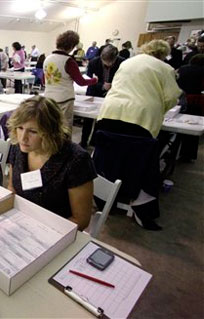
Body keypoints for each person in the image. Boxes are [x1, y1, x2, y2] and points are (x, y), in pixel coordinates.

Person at [96, 39, 182, 230]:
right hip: (141, 118)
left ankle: (103, 197)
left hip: (110, 113)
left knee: (108, 157)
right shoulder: (164, 67)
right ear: (162, 54)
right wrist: (159, 108)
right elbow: (171, 97)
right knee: (139, 160)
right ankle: (139, 206)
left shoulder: (127, 62)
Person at [7, 96, 96, 230]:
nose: (23, 137)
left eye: (33, 131)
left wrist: (39, 230)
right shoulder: (18, 147)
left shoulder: (76, 160)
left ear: (50, 132)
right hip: (21, 222)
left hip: (55, 230)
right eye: (20, 128)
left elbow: (81, 220)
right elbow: (12, 188)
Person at [43, 30, 97, 130]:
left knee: (50, 128)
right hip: (64, 100)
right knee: (64, 129)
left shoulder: (47, 59)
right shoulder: (69, 61)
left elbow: (44, 80)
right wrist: (94, 80)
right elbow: (81, 82)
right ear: (72, 46)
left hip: (48, 98)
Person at [80, 45, 125, 148]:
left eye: (110, 62)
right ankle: (83, 143)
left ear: (115, 58)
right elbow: (89, 79)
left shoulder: (122, 63)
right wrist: (102, 86)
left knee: (102, 119)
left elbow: (124, 80)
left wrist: (112, 86)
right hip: (94, 91)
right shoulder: (94, 62)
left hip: (112, 94)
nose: (108, 64)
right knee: (88, 120)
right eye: (105, 61)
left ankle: (94, 142)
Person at [176, 54, 204, 161]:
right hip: (195, 100)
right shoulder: (202, 71)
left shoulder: (182, 69)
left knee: (178, 126)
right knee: (192, 128)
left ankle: (172, 149)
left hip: (181, 98)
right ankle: (187, 154)